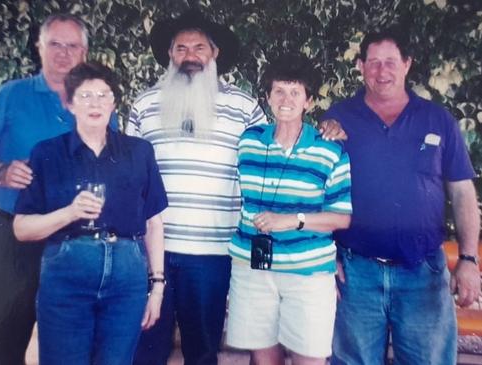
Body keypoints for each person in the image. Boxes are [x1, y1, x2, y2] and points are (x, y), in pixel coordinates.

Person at [128, 10, 345, 365]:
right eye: (180, 48)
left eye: (199, 47)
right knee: (146, 351)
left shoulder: (244, 107)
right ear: (170, 55)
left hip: (212, 255)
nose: (190, 56)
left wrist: (327, 126)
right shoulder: (143, 104)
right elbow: (129, 180)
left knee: (202, 352)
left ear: (214, 54)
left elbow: (279, 151)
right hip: (154, 253)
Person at [0, 14, 117, 364]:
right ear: (40, 48)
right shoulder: (11, 96)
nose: (63, 53)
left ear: (85, 51)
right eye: (55, 44)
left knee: (72, 352)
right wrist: (0, 171)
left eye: (72, 45)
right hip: (11, 241)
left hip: (75, 242)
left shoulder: (100, 102)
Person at [325, 29, 481, 365]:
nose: (382, 72)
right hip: (355, 274)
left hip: (422, 272)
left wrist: (468, 259)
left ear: (407, 64)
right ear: (360, 65)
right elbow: (318, 191)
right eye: (374, 62)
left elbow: (462, 191)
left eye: (391, 62)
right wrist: (328, 257)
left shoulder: (438, 119)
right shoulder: (338, 119)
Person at [12, 61, 167, 364]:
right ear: (69, 104)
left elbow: (154, 222)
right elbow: (21, 228)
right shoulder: (47, 153)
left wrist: (157, 287)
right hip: (67, 271)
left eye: (103, 95)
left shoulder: (139, 152)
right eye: (85, 96)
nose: (95, 103)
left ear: (114, 102)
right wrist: (70, 213)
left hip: (127, 274)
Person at [225, 54, 352, 365]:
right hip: (253, 270)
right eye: (279, 91)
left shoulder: (329, 150)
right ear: (267, 97)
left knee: (310, 359)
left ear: (308, 101)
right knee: (263, 359)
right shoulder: (248, 142)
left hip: (307, 274)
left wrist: (291, 221)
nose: (286, 99)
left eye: (295, 92)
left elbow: (341, 218)